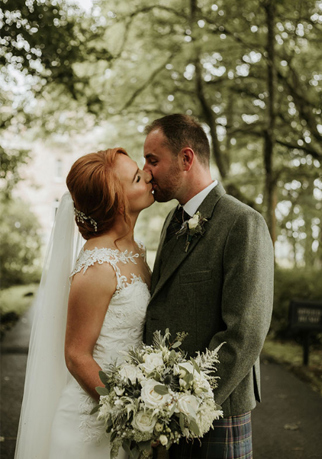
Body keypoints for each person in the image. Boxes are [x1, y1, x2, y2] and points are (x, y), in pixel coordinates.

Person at [142, 114, 274, 458]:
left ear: (186, 159)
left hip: (216, 410)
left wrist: (188, 405)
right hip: (166, 409)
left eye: (153, 160)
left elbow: (245, 333)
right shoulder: (173, 221)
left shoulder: (243, 222)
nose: (146, 172)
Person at [15, 148, 154, 458]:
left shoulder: (135, 249)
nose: (147, 175)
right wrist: (127, 412)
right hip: (92, 426)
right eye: (136, 178)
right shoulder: (97, 266)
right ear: (117, 202)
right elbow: (77, 356)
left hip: (132, 414)